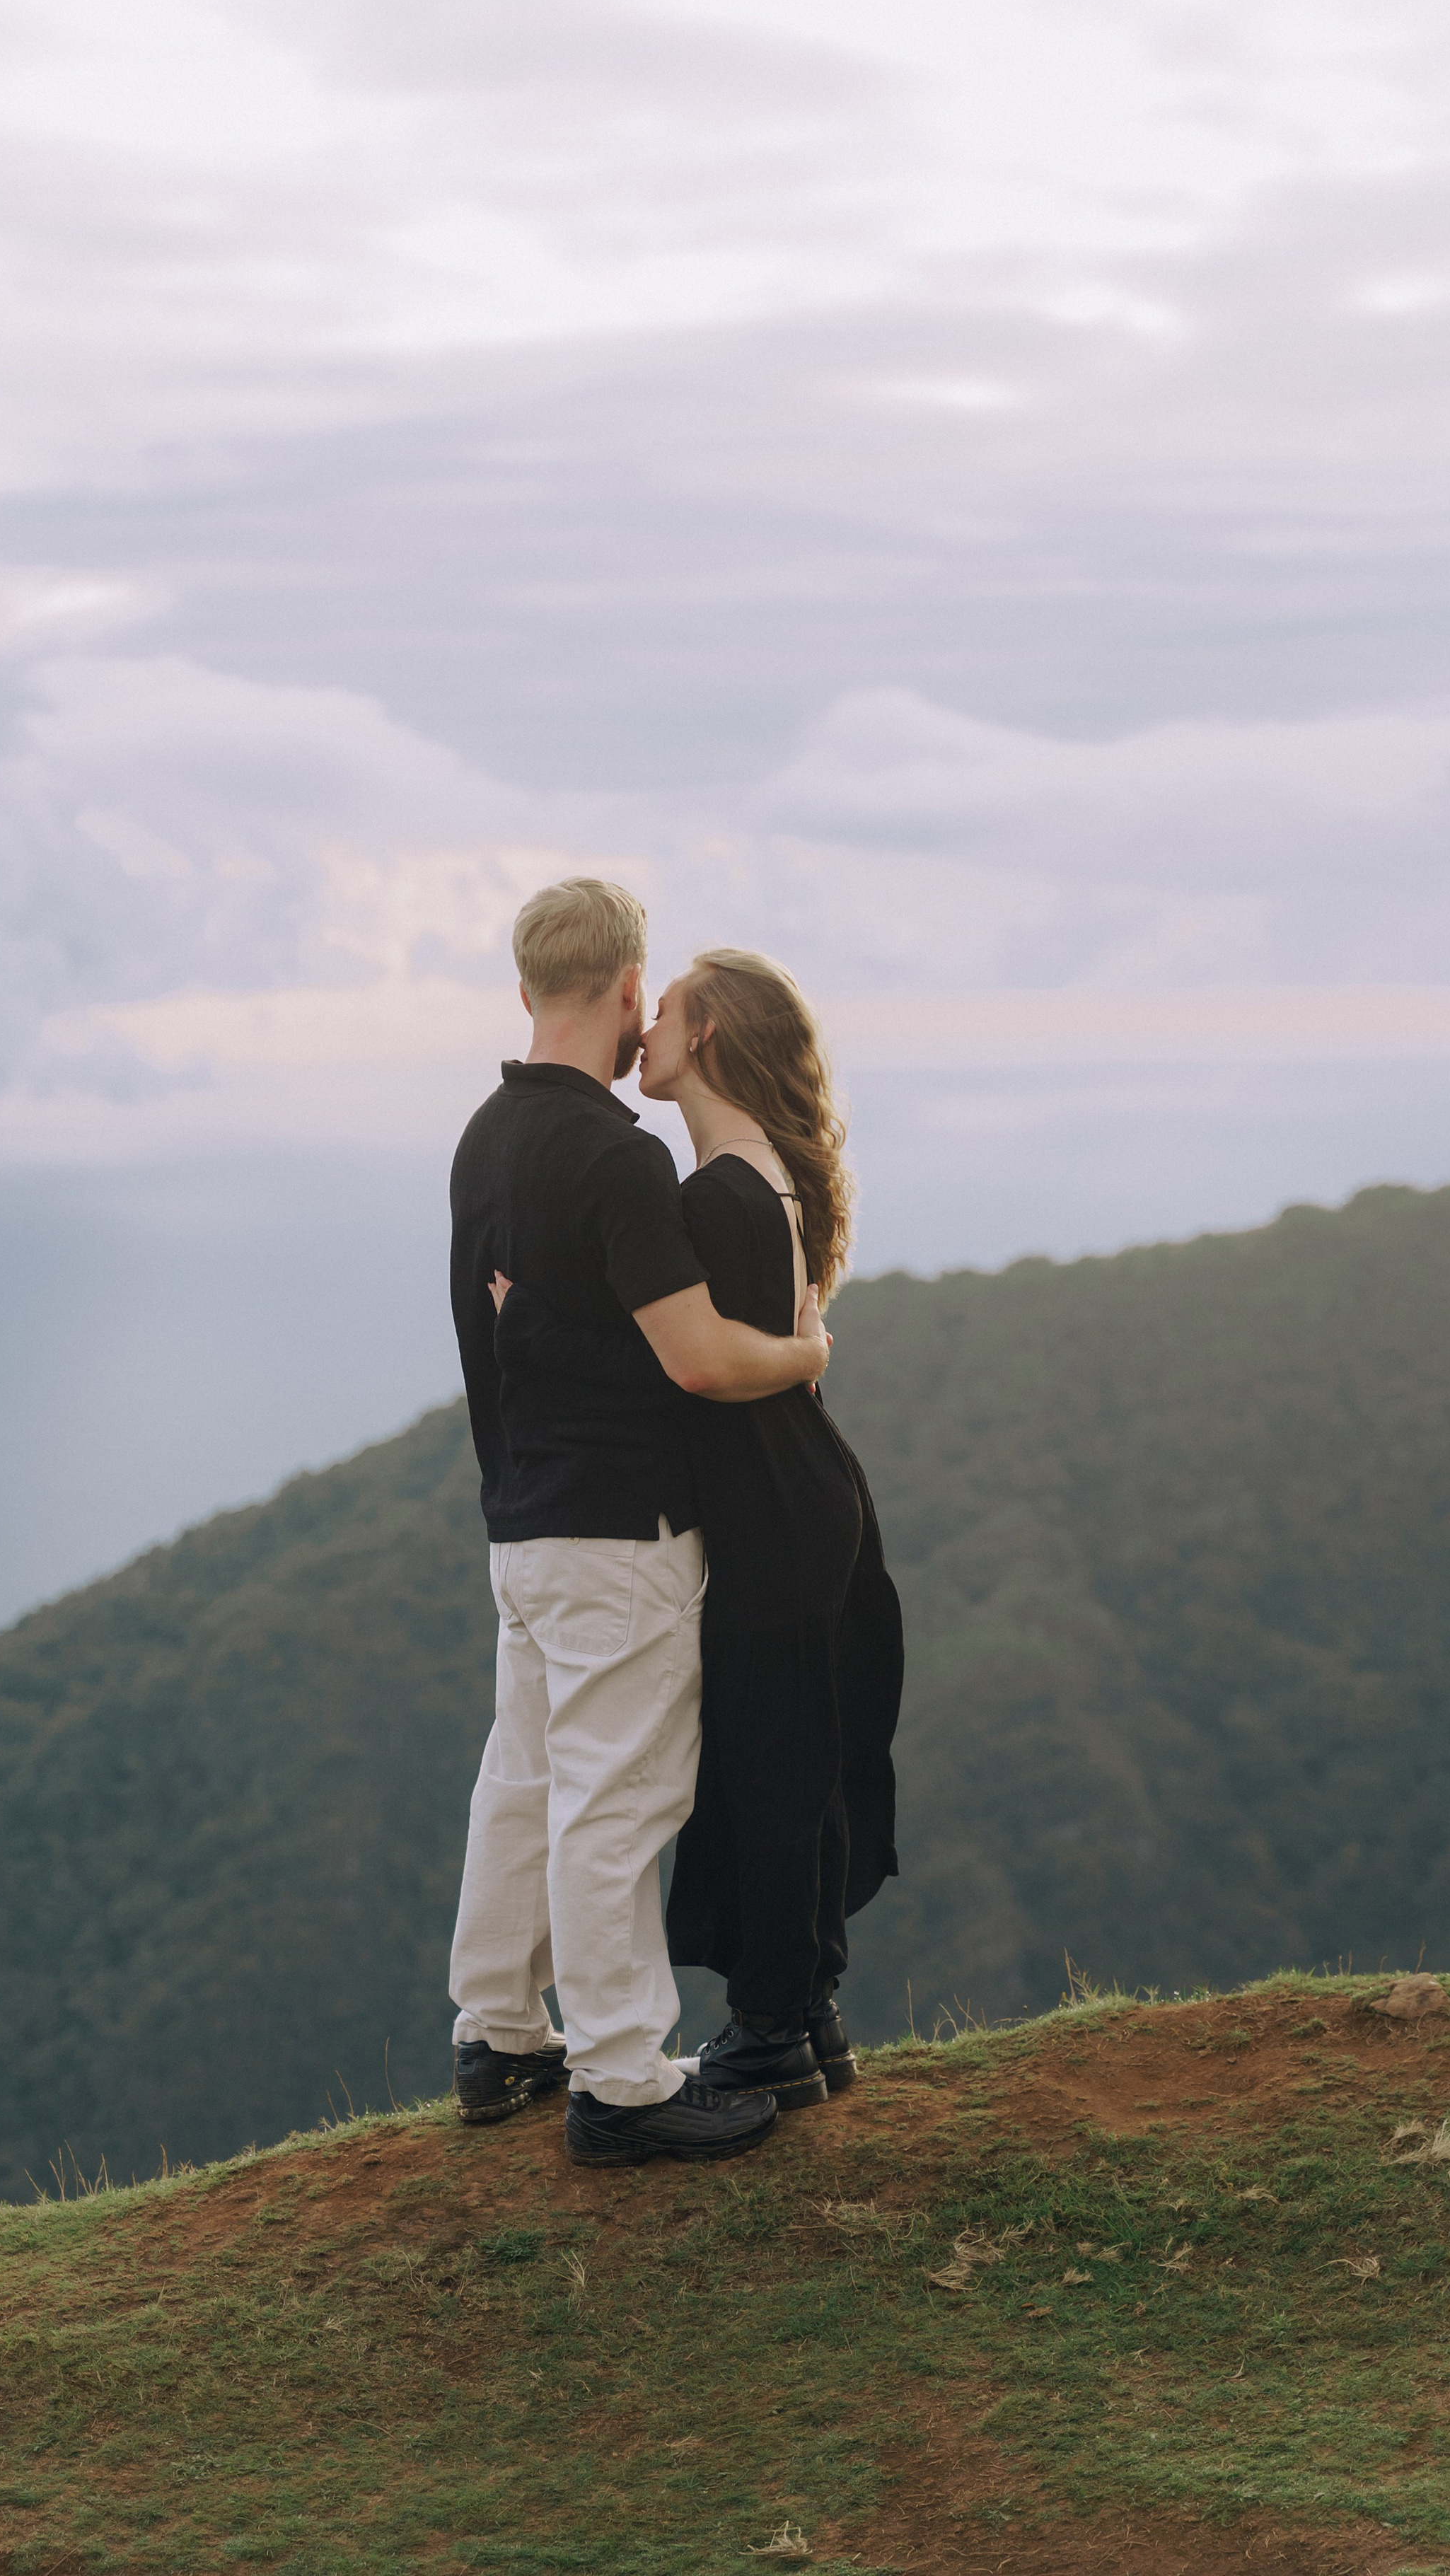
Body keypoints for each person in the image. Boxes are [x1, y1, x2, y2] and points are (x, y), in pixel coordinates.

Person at [446, 880, 832, 2168]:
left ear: (523, 993)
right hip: (621, 1534)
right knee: (618, 1798)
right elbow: (700, 1362)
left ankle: (499, 2034)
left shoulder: (482, 1137)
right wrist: (805, 1348)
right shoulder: (621, 1158)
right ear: (624, 990)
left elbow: (512, 1338)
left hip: (522, 1523)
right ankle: (620, 2082)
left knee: (527, 1780)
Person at [492, 948, 905, 2112]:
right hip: (801, 1490)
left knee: (768, 1765)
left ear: (709, 1030)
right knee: (793, 1752)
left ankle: (772, 2030)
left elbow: (686, 1365)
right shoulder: (758, 1175)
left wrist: (530, 1325)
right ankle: (806, 2016)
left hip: (771, 1501)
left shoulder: (712, 1198)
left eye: (666, 1006)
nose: (646, 1023)